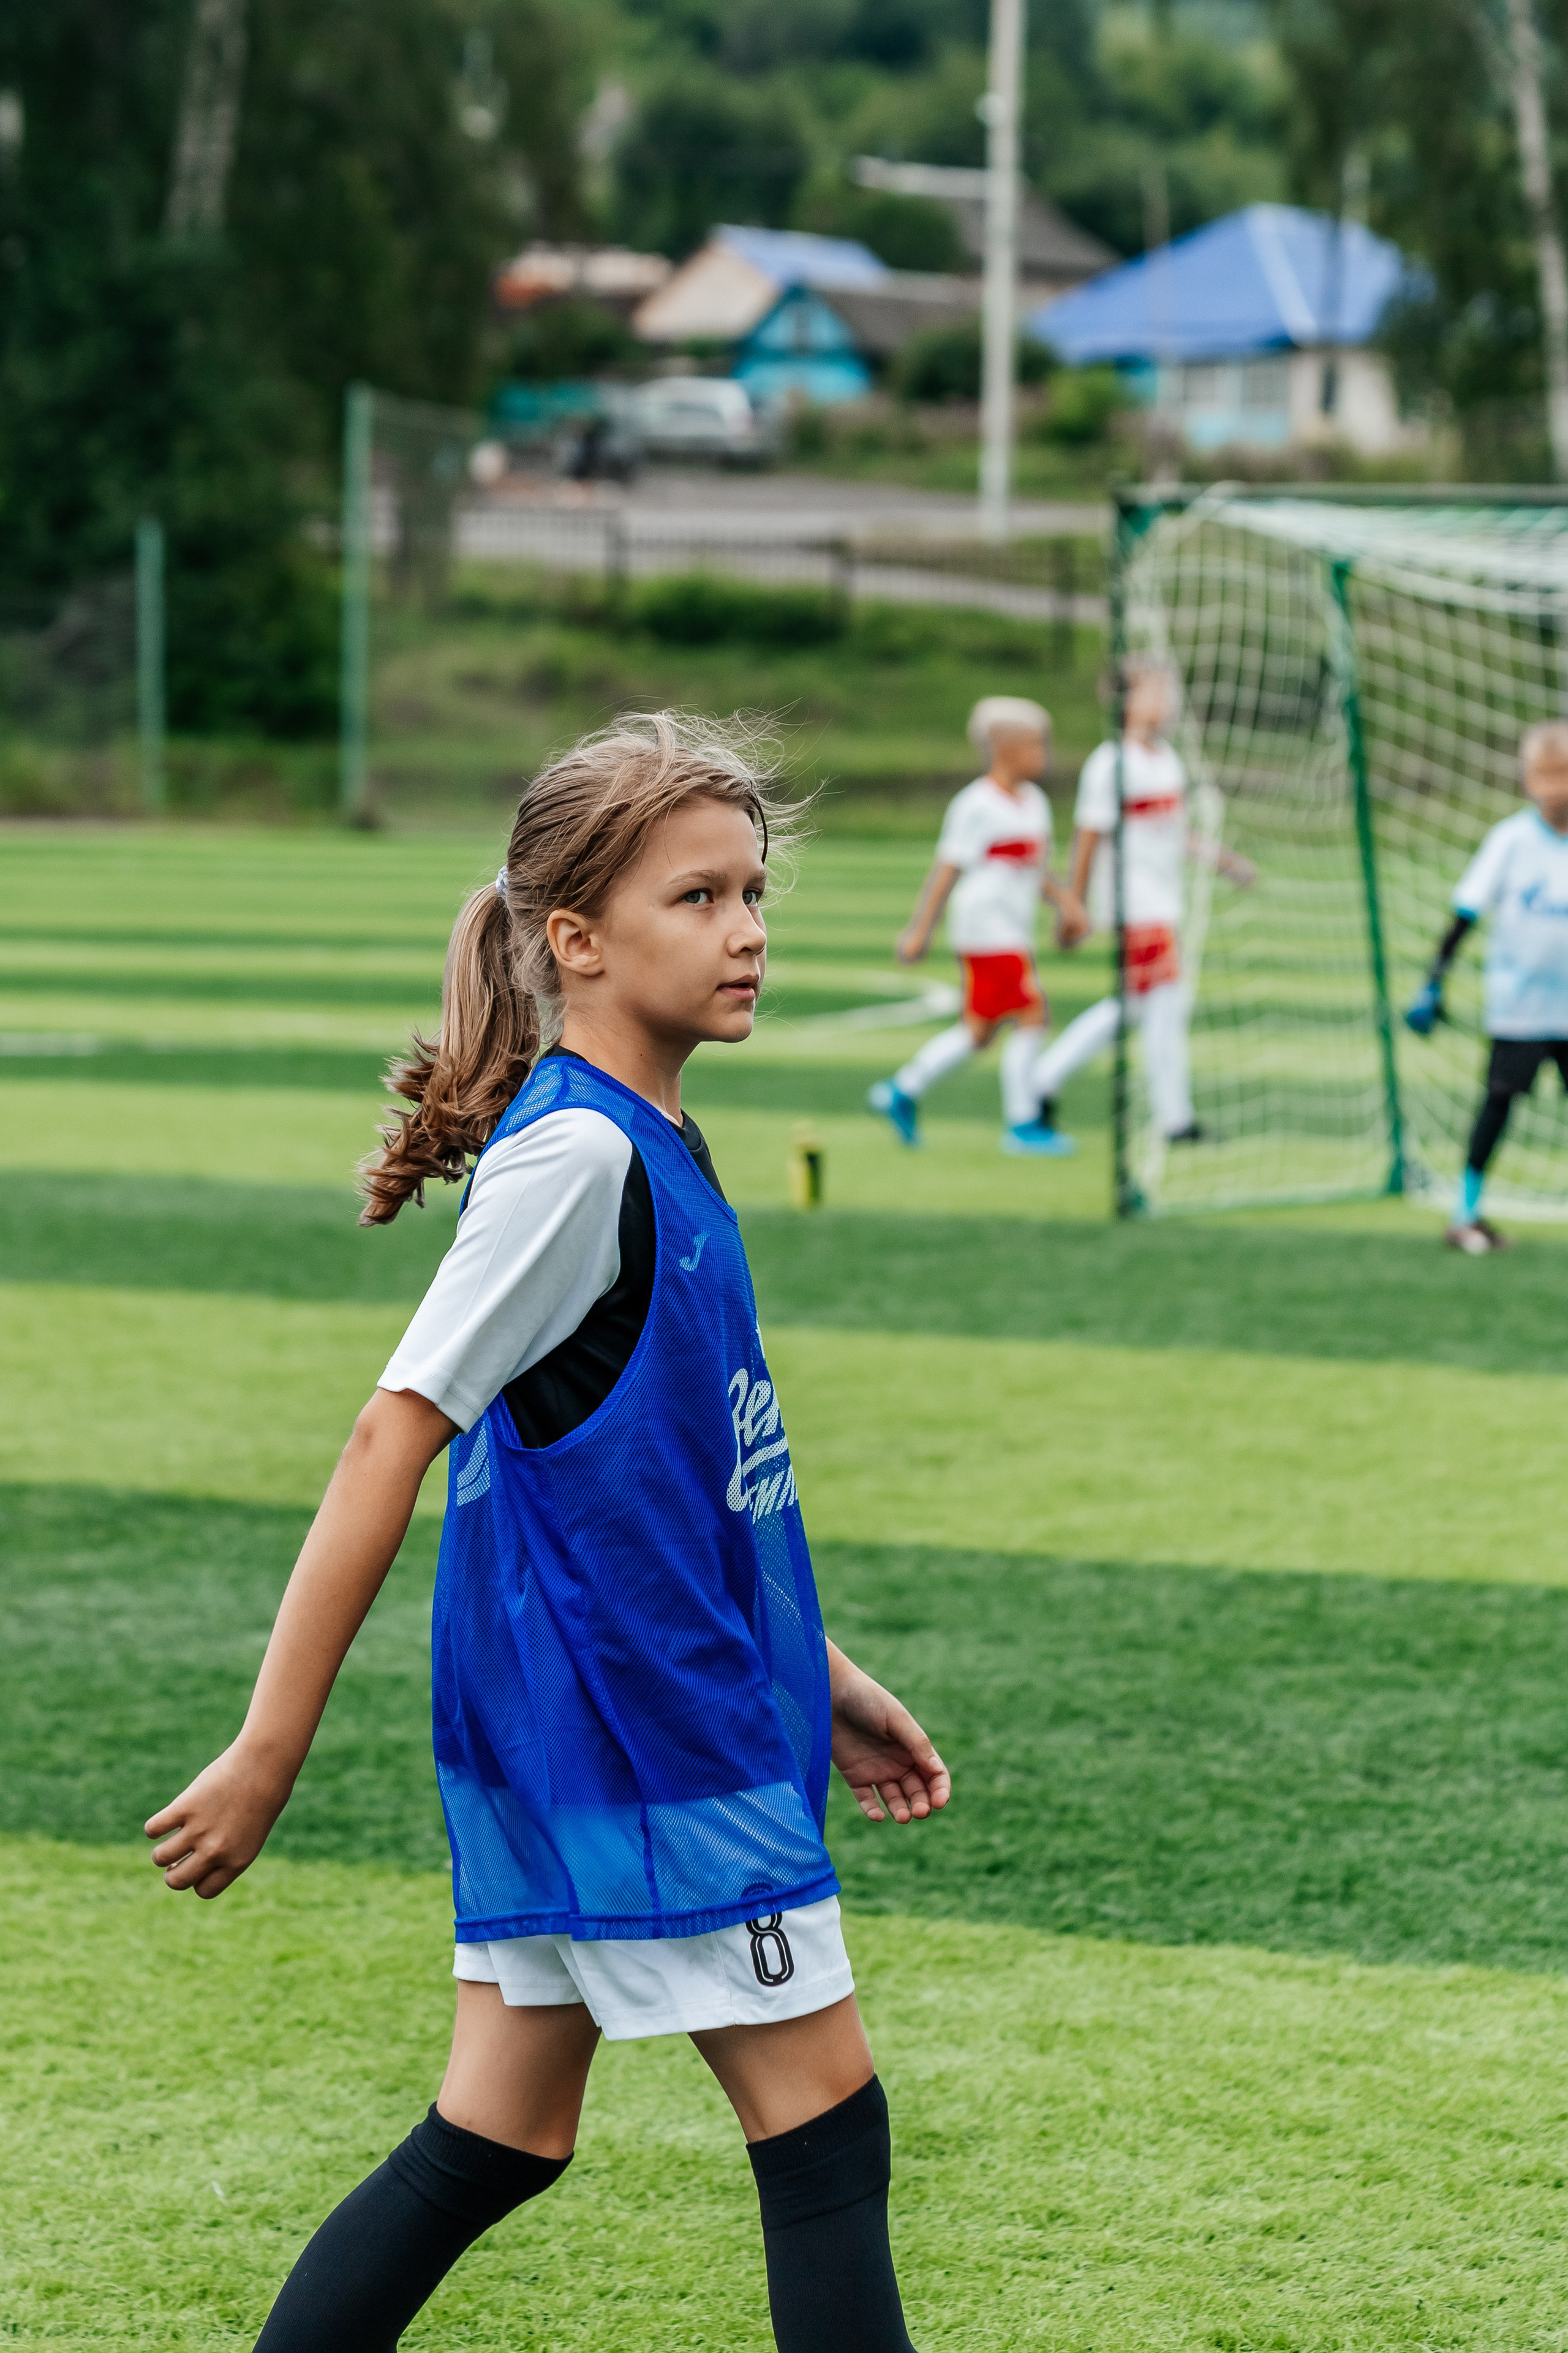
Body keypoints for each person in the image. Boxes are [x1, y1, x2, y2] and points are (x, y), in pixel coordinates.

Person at [144, 714, 950, 2353]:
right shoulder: (579, 1158)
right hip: (645, 1735)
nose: (748, 933)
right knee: (826, 2129)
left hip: (599, 1721)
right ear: (575, 941)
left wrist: (835, 1675)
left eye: (753, 893)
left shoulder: (648, 1143)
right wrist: (266, 1750)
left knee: (497, 2134)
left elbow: (679, 1494)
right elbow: (392, 1436)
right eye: (698, 898)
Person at [1028, 659, 1253, 1146]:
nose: (1168, 702)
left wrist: (1221, 859)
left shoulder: (1166, 760)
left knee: (1137, 1005)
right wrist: (1075, 904)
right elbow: (1087, 838)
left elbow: (1175, 831)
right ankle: (1175, 1120)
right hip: (1135, 906)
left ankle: (1044, 1077)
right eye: (1157, 692)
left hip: (1165, 901)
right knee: (1166, 1004)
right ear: (1126, 701)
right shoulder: (1110, 764)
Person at [867, 695, 1090, 1156]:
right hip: (986, 928)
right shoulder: (975, 805)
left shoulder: (1035, 804)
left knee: (980, 1032)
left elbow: (1037, 869)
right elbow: (947, 870)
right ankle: (1024, 1123)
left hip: (1014, 928)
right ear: (1004, 747)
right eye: (1037, 744)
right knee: (1033, 1014)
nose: (1044, 754)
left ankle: (903, 1089)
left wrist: (1068, 904)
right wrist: (920, 930)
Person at [1404, 718, 1568, 1253]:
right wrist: (1433, 983)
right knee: (1498, 1103)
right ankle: (1466, 1212)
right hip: (1520, 1007)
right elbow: (1465, 914)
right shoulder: (1512, 841)